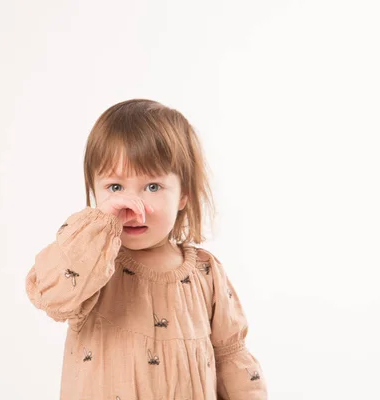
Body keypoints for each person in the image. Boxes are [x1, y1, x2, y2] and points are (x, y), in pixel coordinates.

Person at [25, 99, 268, 399]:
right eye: (115, 188)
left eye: (152, 187)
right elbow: (51, 295)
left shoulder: (206, 273)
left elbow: (232, 358)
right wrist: (99, 228)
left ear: (183, 196)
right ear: (94, 192)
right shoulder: (92, 266)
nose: (133, 206)